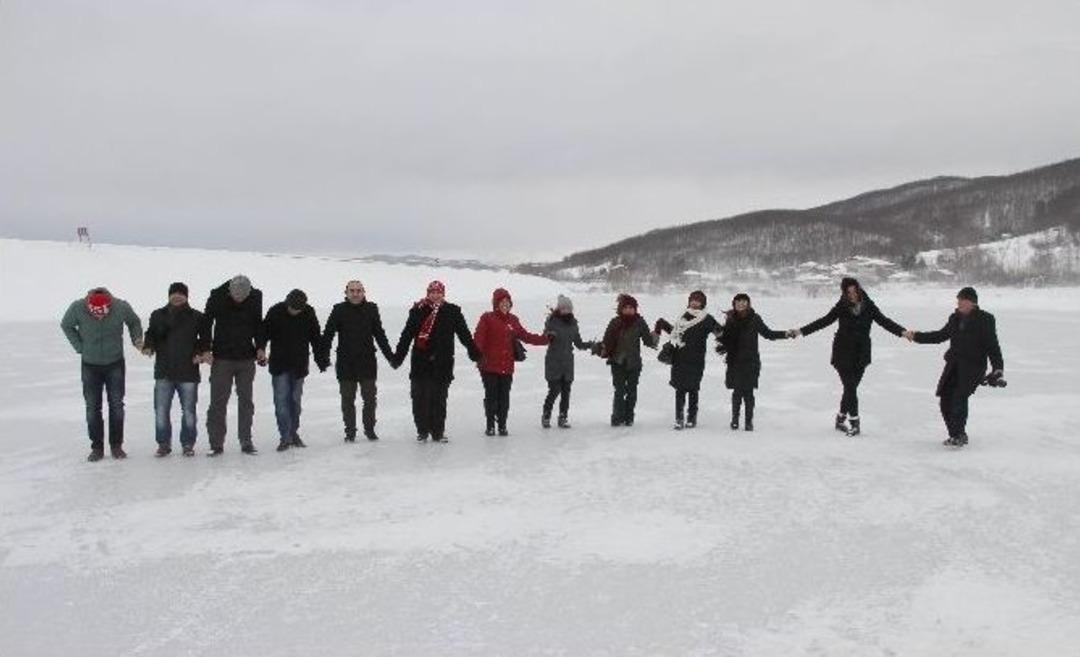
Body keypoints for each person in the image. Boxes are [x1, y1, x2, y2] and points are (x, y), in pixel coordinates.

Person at [792, 277, 906, 436]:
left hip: (861, 355)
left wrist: (903, 332)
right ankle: (855, 422)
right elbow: (824, 321)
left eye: (854, 291)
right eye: (848, 292)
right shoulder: (841, 307)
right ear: (845, 293)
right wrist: (801, 331)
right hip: (843, 353)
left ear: (859, 290)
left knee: (850, 389)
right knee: (851, 387)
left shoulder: (869, 306)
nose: (852, 294)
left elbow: (885, 322)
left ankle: (840, 418)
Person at [904, 287, 1004, 447]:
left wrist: (998, 369)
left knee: (959, 398)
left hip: (973, 367)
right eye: (958, 300)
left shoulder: (985, 319)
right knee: (945, 400)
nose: (958, 304)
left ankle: (959, 434)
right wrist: (916, 336)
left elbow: (993, 346)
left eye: (962, 301)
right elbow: (939, 336)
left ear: (972, 302)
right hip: (954, 365)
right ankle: (955, 434)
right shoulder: (954, 318)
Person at [60, 287, 143, 461]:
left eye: (103, 313)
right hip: (90, 365)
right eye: (96, 314)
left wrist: (136, 338)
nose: (100, 316)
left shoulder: (120, 306)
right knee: (92, 407)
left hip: (115, 364)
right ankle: (97, 447)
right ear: (89, 306)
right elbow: (66, 325)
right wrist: (80, 347)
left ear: (109, 305)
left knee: (116, 405)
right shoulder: (77, 307)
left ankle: (116, 445)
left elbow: (134, 322)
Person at [393, 281, 480, 442]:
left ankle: (438, 432)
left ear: (443, 293)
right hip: (421, 362)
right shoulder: (418, 311)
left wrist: (474, 352)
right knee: (420, 399)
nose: (435, 295)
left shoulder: (452, 311)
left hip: (443, 363)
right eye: (432, 292)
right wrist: (398, 357)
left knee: (439, 400)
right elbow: (406, 336)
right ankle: (422, 431)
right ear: (428, 293)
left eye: (439, 292)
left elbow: (464, 335)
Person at [319, 280, 396, 442]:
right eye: (352, 291)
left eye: (359, 290)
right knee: (347, 400)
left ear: (364, 292)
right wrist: (323, 358)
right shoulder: (338, 310)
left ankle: (369, 430)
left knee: (369, 399)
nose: (355, 293)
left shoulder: (371, 309)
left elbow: (379, 335)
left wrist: (390, 357)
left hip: (367, 362)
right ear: (346, 293)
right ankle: (350, 432)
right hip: (346, 363)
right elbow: (328, 335)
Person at [142, 282, 209, 457]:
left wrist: (199, 353)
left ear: (186, 296)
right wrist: (149, 346)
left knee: (188, 411)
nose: (177, 297)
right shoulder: (158, 315)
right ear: (169, 295)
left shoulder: (197, 317)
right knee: (161, 410)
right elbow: (150, 334)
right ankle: (163, 444)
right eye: (174, 294)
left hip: (188, 371)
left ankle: (188, 444)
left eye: (181, 294)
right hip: (164, 371)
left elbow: (205, 340)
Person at [201, 275, 265, 456]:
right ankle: (216, 443)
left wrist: (260, 347)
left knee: (246, 401)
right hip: (222, 358)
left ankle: (246, 440)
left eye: (243, 295)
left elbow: (258, 324)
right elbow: (206, 323)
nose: (239, 298)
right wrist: (206, 349)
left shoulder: (255, 297)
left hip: (246, 357)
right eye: (236, 295)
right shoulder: (216, 296)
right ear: (230, 290)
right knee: (218, 402)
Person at [473, 288, 550, 436]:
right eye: (502, 302)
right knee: (491, 397)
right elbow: (479, 338)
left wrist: (545, 339)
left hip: (506, 366)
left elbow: (526, 336)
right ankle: (490, 425)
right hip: (488, 366)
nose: (505, 305)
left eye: (507, 302)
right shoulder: (487, 318)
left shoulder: (513, 320)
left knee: (504, 397)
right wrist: (478, 354)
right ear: (496, 303)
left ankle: (502, 425)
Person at [261, 289, 322, 451]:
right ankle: (285, 437)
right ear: (287, 303)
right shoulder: (275, 311)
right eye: (292, 309)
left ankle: (293, 433)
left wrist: (321, 359)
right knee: (281, 402)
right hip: (279, 365)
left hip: (299, 365)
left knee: (295, 402)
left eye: (298, 310)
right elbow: (263, 333)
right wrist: (260, 350)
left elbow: (316, 337)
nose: (295, 312)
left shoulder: (308, 312)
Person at [717, 293, 789, 431]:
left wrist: (786, 334)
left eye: (744, 302)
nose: (741, 304)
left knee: (749, 393)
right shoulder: (730, 319)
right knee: (737, 392)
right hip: (734, 361)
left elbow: (769, 334)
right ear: (734, 304)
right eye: (738, 302)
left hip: (751, 361)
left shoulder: (755, 319)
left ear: (748, 303)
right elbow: (725, 338)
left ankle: (749, 421)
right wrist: (720, 337)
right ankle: (734, 420)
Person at [655, 290, 723, 430]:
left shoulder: (707, 319)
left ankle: (691, 418)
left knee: (693, 390)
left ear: (702, 303)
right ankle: (679, 418)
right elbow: (676, 333)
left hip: (696, 360)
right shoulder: (683, 317)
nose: (694, 302)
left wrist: (724, 327)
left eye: (698, 300)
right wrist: (664, 324)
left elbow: (720, 333)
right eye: (692, 299)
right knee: (679, 390)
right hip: (679, 358)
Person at [598, 294, 659, 427]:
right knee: (619, 391)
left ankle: (629, 417)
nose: (629, 310)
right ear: (621, 308)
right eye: (626, 307)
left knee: (631, 391)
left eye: (631, 308)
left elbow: (648, 341)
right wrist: (601, 349)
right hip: (617, 362)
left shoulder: (640, 322)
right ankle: (617, 416)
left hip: (634, 363)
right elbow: (606, 340)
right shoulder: (615, 322)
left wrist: (656, 333)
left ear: (635, 309)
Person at [541, 295, 594, 429]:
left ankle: (563, 417)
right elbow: (544, 337)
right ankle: (546, 415)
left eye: (568, 308)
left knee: (566, 392)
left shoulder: (573, 324)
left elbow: (579, 344)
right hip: (553, 361)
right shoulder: (552, 321)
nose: (566, 311)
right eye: (563, 308)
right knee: (554, 390)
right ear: (559, 309)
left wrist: (591, 345)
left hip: (568, 363)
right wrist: (549, 336)